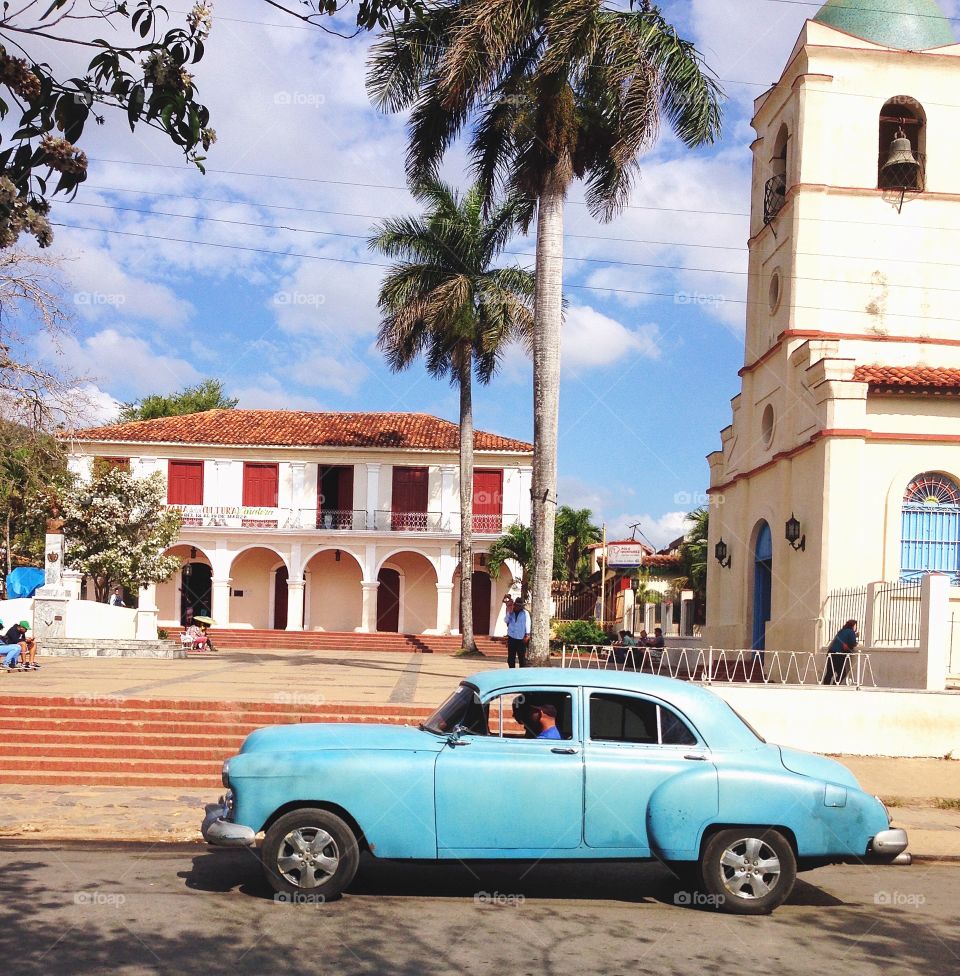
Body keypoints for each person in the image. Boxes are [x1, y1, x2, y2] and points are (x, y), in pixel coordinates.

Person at [824, 619, 858, 685]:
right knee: (842, 673)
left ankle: (825, 686)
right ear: (853, 626)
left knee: (830, 672)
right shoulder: (851, 632)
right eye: (855, 626)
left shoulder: (842, 631)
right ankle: (835, 684)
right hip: (839, 654)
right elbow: (852, 643)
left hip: (831, 652)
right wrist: (856, 639)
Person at [505, 597, 530, 668]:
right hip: (511, 637)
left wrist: (527, 635)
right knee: (511, 658)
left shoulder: (525, 613)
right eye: (517, 605)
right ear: (515, 605)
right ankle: (512, 671)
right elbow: (506, 620)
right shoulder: (511, 612)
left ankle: (521, 672)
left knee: (521, 658)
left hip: (521, 638)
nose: (518, 607)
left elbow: (527, 624)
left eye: (520, 606)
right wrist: (509, 613)